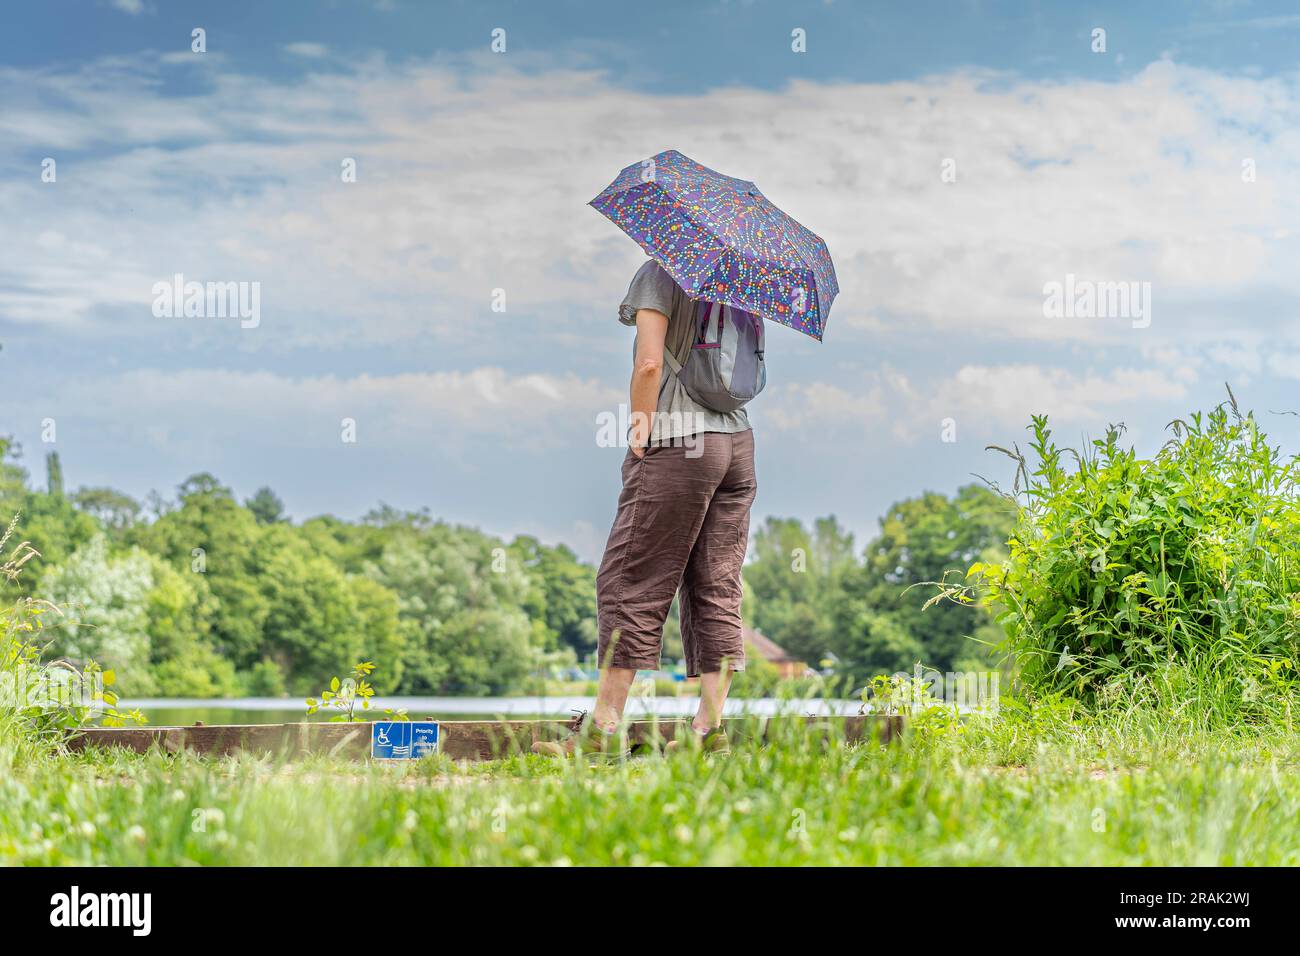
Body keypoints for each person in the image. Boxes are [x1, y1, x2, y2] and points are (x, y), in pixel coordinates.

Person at [533, 259, 757, 758]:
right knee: (716, 582)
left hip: (680, 441)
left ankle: (602, 730)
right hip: (738, 445)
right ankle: (709, 732)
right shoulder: (740, 276)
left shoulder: (661, 272)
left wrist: (639, 428)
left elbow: (649, 363)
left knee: (632, 576)